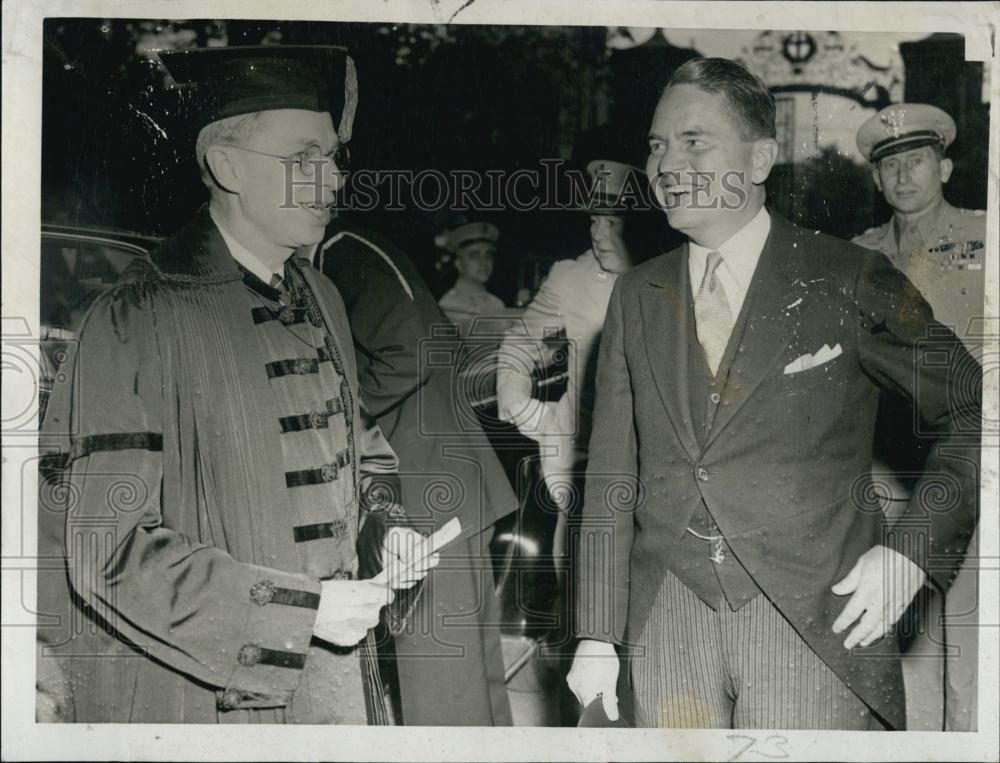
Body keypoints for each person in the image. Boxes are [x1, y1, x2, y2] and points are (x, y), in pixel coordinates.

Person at [566, 57, 980, 730]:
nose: (667, 164)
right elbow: (612, 473)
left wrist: (911, 552)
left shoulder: (849, 276)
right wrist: (596, 633)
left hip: (812, 620)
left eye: (694, 141)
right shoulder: (635, 295)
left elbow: (973, 407)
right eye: (657, 145)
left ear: (759, 159)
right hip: (666, 620)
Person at [35, 45, 436, 724]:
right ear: (227, 167)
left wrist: (385, 527)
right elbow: (108, 549)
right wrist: (300, 613)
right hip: (214, 697)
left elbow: (364, 455)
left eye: (333, 157)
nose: (332, 180)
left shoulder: (321, 295)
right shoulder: (139, 315)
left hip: (337, 681)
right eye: (303, 159)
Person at [315, 220, 518, 725]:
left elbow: (410, 350)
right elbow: (440, 342)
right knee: (475, 681)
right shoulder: (365, 244)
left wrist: (339, 412)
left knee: (439, 690)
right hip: (453, 478)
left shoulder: (339, 251)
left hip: (424, 489)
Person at [854, 102, 986, 731]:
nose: (904, 176)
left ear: (946, 168)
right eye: (891, 166)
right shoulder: (857, 255)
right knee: (897, 631)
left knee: (969, 641)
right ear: (876, 180)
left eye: (918, 161)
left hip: (966, 463)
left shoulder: (987, 238)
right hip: (885, 464)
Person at [495, 159, 651, 545]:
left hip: (650, 463)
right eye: (594, 220)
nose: (598, 234)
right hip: (582, 459)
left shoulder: (674, 275)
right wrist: (519, 404)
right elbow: (521, 342)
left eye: (612, 222)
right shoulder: (572, 277)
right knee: (581, 567)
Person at [438, 221, 506, 337]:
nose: (484, 262)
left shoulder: (496, 304)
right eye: (474, 256)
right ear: (458, 264)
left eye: (488, 255)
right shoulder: (447, 307)